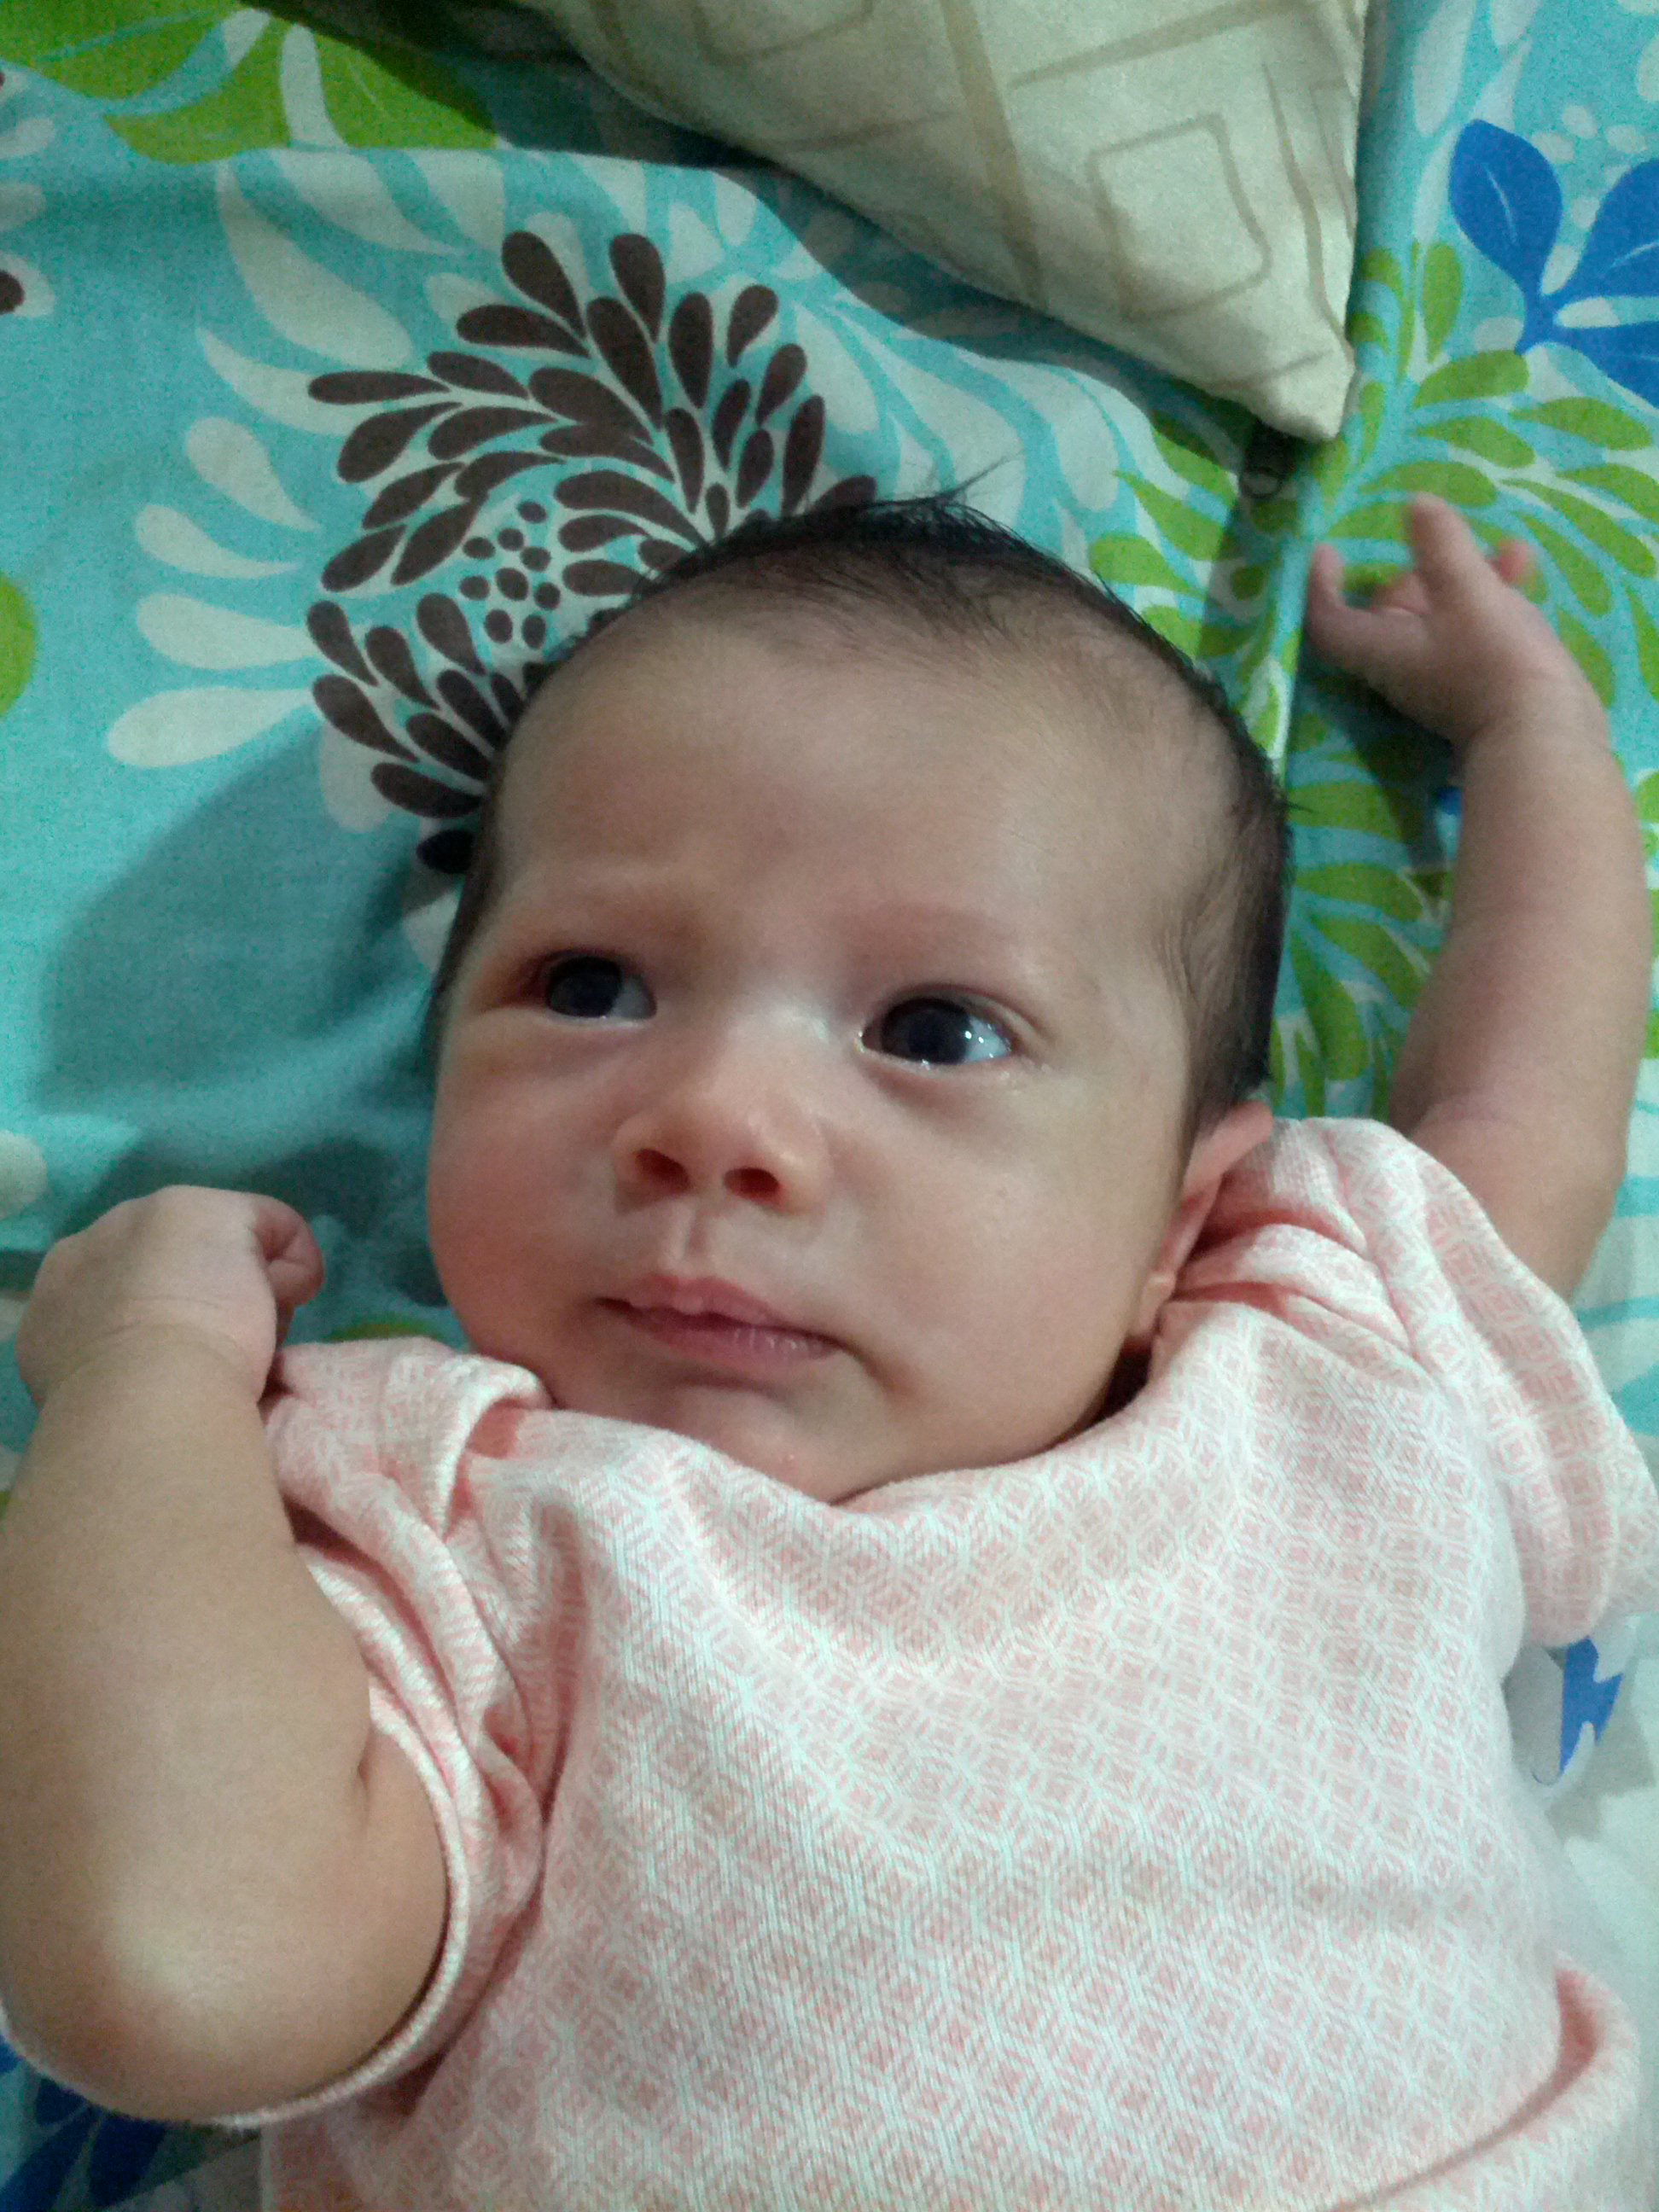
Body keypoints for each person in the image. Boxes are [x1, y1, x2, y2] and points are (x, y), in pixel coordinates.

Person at [0, 489, 1656, 2209]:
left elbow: (1524, 1093)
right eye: (591, 986)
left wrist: (1531, 727)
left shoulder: (1330, 1367)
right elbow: (173, 1974)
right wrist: (150, 1378)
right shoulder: (451, 1531)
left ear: (1179, 1219)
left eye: (936, 1029)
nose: (719, 1116)